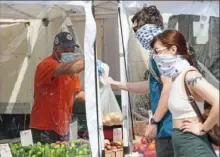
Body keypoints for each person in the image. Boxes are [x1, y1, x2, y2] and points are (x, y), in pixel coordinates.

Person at [108, 6, 174, 157]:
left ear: (148, 27)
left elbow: (168, 88)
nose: (136, 35)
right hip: (166, 129)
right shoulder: (156, 54)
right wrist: (119, 85)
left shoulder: (161, 54)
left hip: (169, 128)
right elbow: (150, 85)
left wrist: (155, 121)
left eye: (137, 29)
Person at [150, 29, 219, 157]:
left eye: (157, 51)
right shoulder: (176, 77)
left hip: (194, 147)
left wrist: (203, 128)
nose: (155, 56)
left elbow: (218, 100)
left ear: (173, 50)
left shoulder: (189, 75)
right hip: (184, 145)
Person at [30, 32, 86, 144]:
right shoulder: (46, 65)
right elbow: (68, 69)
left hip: (63, 126)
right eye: (66, 50)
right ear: (56, 49)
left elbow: (77, 94)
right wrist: (90, 62)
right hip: (44, 127)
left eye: (72, 50)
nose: (69, 53)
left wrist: (97, 99)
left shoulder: (71, 71)